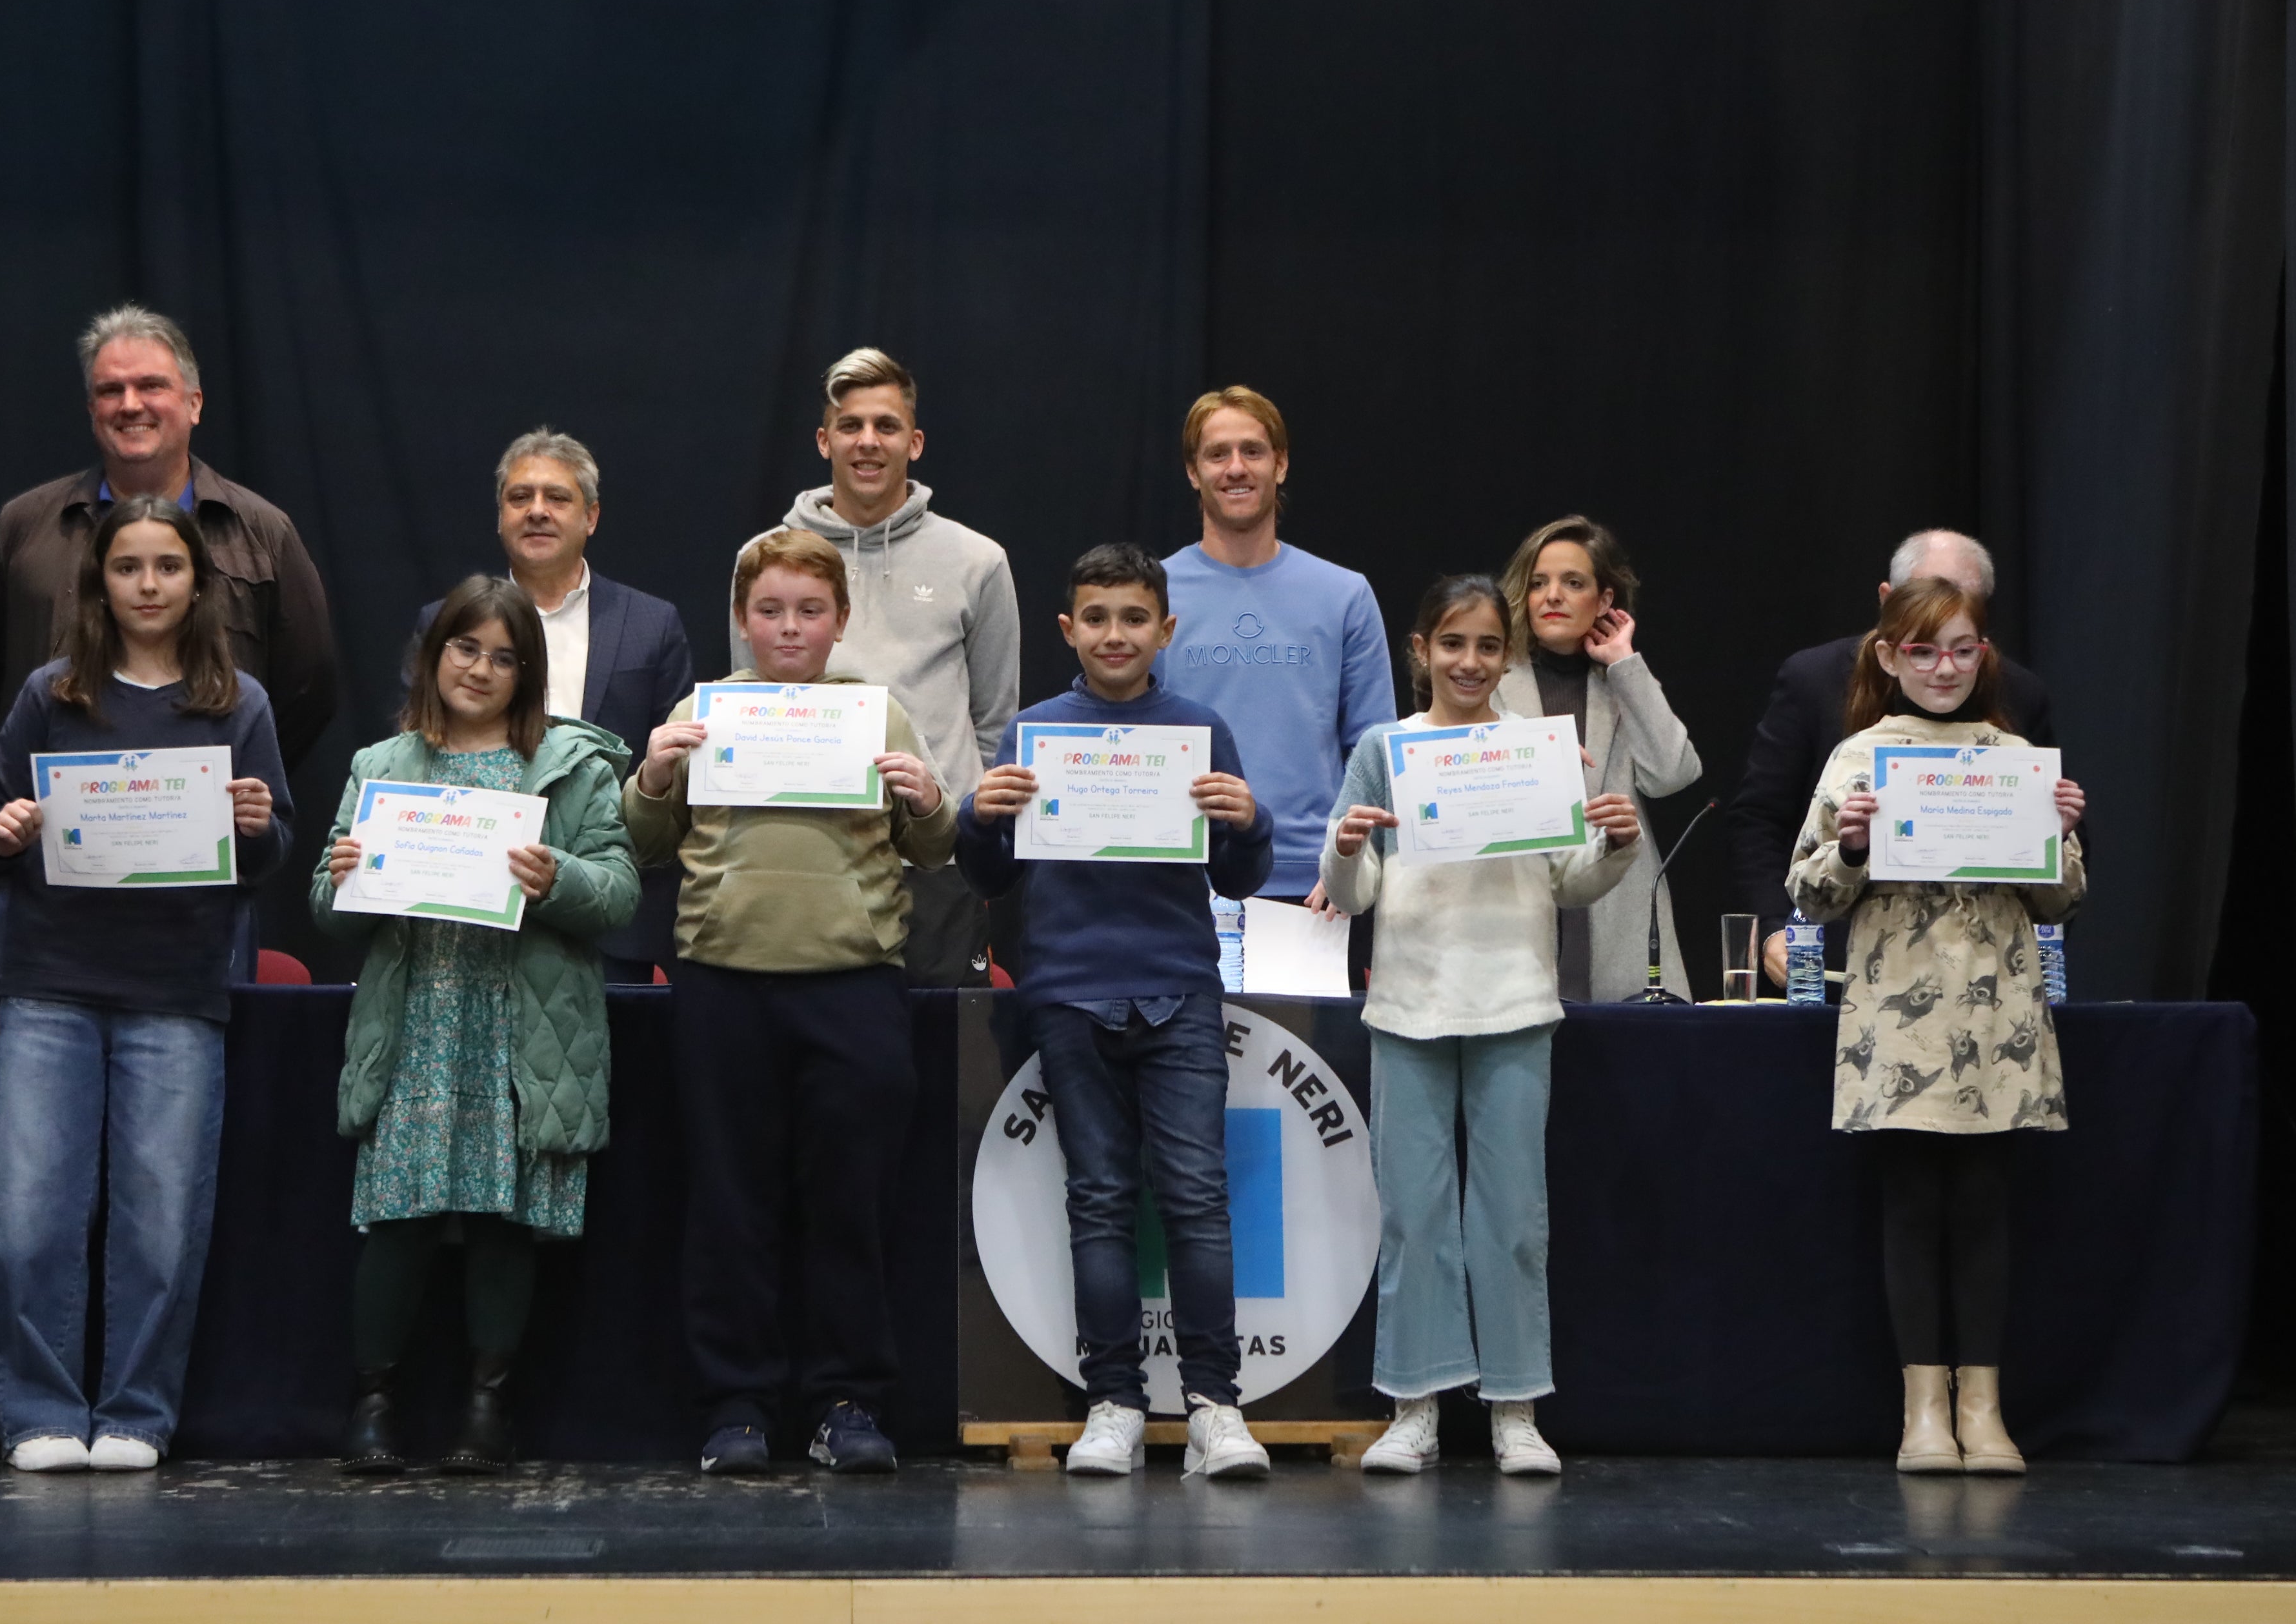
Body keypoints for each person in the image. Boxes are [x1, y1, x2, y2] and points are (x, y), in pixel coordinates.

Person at [0, 496, 292, 1472]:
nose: (148, 585)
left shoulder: (240, 704)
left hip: (177, 988)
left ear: (197, 582)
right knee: (28, 1218)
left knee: (160, 1223)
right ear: (99, 581)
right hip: (50, 982)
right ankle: (38, 1414)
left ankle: (137, 1414)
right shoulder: (50, 694)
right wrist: (6, 831)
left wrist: (253, 825)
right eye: (128, 567)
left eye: (167, 567)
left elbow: (276, 846)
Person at [631, 528, 954, 1476]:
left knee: (849, 1203)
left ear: (840, 621)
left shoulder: (879, 716)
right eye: (769, 609)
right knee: (731, 1205)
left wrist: (931, 802)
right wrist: (652, 775)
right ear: (742, 619)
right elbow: (643, 837)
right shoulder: (702, 710)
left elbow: (933, 852)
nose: (789, 626)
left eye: (810, 610)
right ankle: (736, 1406)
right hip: (722, 981)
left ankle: (848, 1403)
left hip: (853, 985)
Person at [956, 543, 1279, 1481]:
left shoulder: (1201, 730)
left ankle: (1217, 1404)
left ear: (1166, 630)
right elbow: (988, 876)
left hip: (1178, 987)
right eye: (1096, 618)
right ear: (1068, 629)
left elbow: (1238, 874)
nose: (1115, 635)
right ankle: (1115, 1404)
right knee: (1098, 1203)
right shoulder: (1035, 733)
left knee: (1196, 1202)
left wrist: (1248, 822)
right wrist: (982, 816)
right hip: (1066, 993)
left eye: (1135, 618)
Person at [317, 577, 642, 1475]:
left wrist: (557, 879)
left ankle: (486, 1411)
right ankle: (374, 1404)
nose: (482, 670)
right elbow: (325, 910)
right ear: (434, 655)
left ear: (527, 673)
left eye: (505, 658)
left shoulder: (570, 767)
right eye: (467, 649)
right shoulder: (381, 767)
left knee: (505, 1222)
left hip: (522, 1023)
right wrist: (343, 876)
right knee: (399, 1217)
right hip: (417, 1018)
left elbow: (618, 894)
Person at [1321, 577, 1642, 1477]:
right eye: (1452, 644)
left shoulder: (1534, 752)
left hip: (1513, 1004)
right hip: (1410, 1009)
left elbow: (1566, 879)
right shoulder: (1386, 750)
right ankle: (1413, 1405)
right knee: (1416, 1219)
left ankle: (1515, 1408)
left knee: (1511, 1219)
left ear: (1507, 656)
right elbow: (1357, 893)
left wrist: (1612, 847)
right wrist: (1344, 850)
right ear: (1420, 649)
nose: (1469, 662)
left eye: (1488, 647)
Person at [1785, 576, 2087, 1476]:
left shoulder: (2014, 754)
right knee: (1913, 1207)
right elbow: (1807, 894)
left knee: (1987, 1207)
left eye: (1961, 649)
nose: (1943, 667)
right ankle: (1924, 1411)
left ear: (1983, 655)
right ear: (1888, 658)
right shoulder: (1857, 760)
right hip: (1899, 1017)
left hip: (1998, 1015)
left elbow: (2060, 900)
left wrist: (2061, 830)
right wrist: (1850, 846)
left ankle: (1984, 1409)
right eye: (1922, 650)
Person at [733, 350, 1018, 987]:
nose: (868, 442)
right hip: (808, 861)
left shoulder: (978, 561)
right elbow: (750, 705)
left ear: (914, 443)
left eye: (886, 426)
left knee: (941, 1070)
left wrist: (968, 837)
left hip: (938, 870)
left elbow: (996, 724)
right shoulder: (762, 559)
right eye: (851, 425)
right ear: (823, 440)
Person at [0, 305, 339, 763]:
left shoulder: (263, 532)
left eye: (151, 386)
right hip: (64, 821)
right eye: (110, 390)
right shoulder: (23, 527)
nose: (130, 404)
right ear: (90, 409)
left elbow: (309, 684)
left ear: (194, 404)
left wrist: (240, 771)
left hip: (210, 819)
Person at [418, 428, 692, 981]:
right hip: (474, 903)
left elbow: (680, 778)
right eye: (520, 498)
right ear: (500, 516)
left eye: (557, 498)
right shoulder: (445, 625)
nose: (537, 511)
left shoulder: (652, 625)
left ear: (591, 517)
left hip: (611, 920)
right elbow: (419, 750)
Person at [1730, 530, 2057, 985]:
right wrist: (1772, 930)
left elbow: (2054, 873)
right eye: (1926, 599)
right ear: (1888, 601)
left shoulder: (2019, 697)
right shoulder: (1816, 682)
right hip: (1844, 967)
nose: (1944, 662)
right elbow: (1761, 818)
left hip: (1985, 975)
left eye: (1962, 605)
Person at [1160, 386, 1396, 944]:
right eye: (1217, 454)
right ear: (1193, 473)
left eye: (1253, 451)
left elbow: (1373, 749)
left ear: (1281, 464)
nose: (1236, 468)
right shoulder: (1153, 595)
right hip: (1183, 881)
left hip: (1317, 891)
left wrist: (1348, 869)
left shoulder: (1344, 595)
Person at [1494, 516, 1705, 1001]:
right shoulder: (1494, 680)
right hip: (1520, 906)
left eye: (1573, 583)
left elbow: (1673, 775)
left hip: (1615, 912)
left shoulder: (1622, 684)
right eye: (1539, 583)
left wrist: (1625, 663)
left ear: (1605, 600)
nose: (1552, 596)